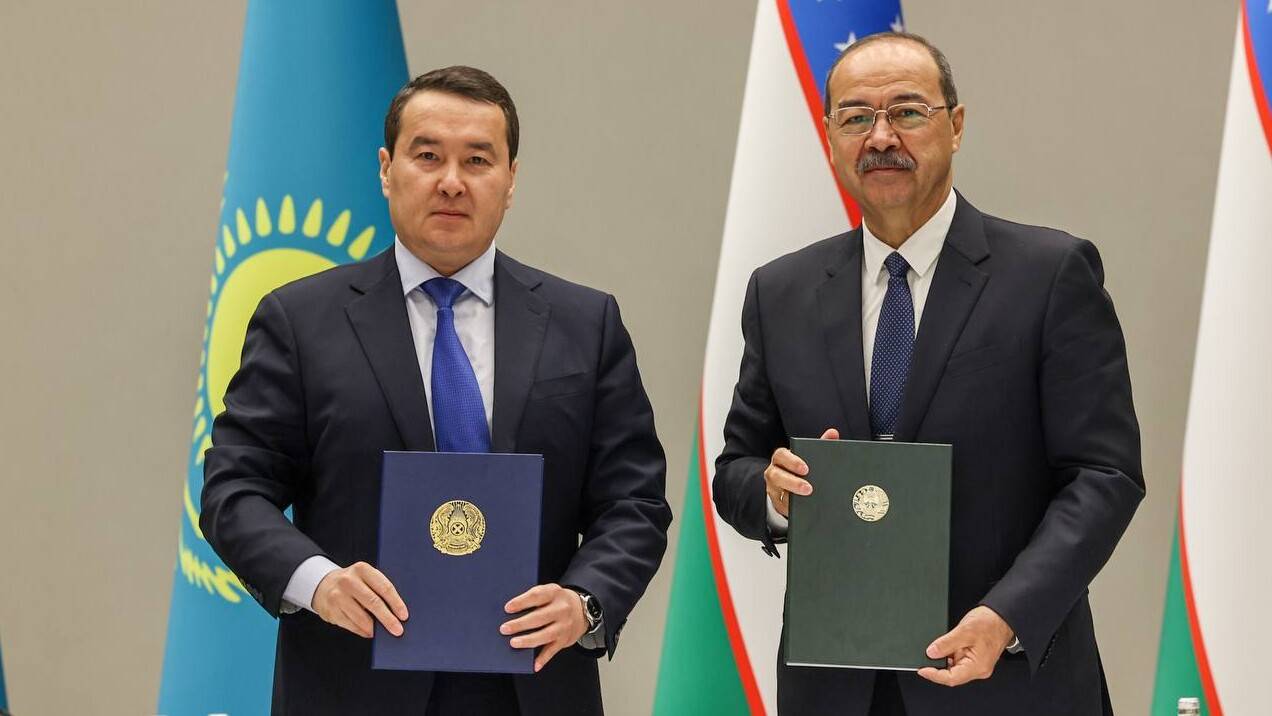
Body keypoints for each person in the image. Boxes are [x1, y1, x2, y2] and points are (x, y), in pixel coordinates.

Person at [201, 66, 671, 716]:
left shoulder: (585, 324)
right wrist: (319, 583)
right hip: (352, 680)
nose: (452, 181)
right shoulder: (300, 321)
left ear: (511, 180)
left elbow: (634, 501)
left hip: (533, 683)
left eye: (477, 160)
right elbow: (234, 489)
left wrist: (584, 600)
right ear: (386, 169)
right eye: (427, 156)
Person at [712, 32, 1143, 716]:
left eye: (907, 112)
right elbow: (736, 465)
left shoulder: (1049, 275)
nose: (881, 137)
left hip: (1005, 681)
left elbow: (1104, 475)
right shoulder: (781, 292)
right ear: (830, 137)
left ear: (956, 125)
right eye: (856, 117)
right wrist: (771, 491)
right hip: (837, 686)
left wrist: (1007, 615)